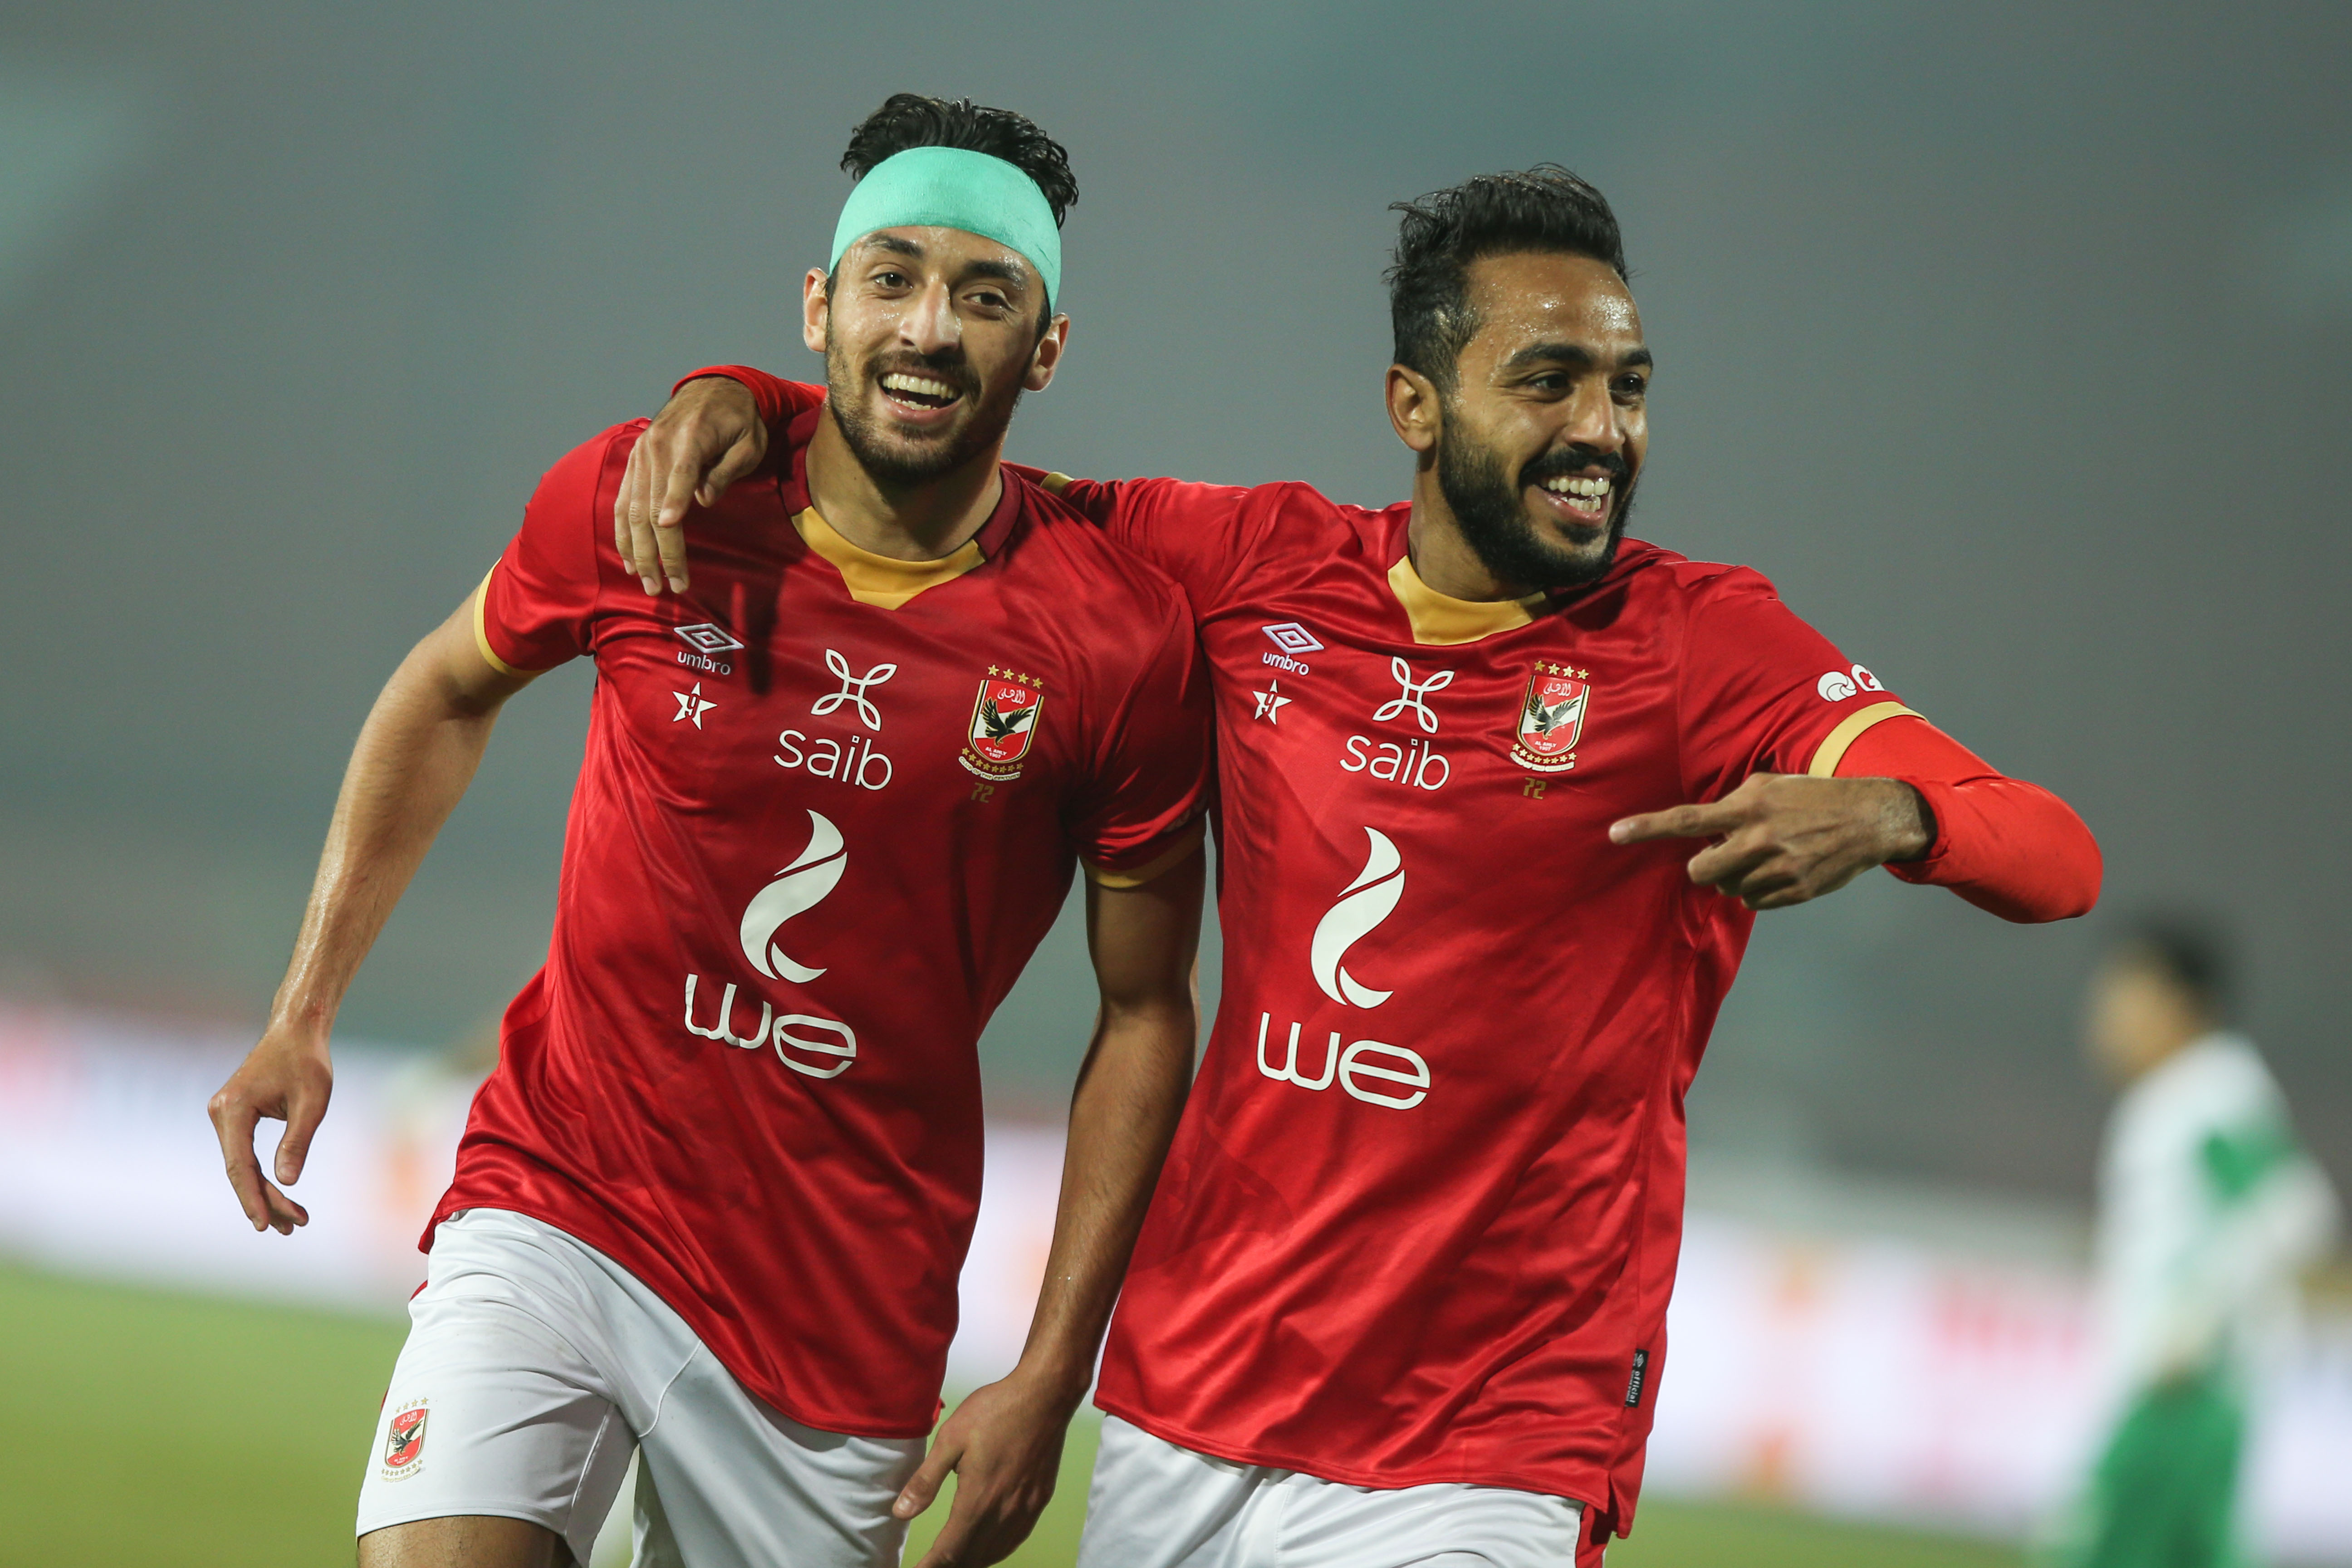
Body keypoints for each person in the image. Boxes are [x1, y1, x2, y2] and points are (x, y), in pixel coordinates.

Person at [627, 164, 2104, 1567]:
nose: (1602, 427)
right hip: (1183, 1409)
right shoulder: (1258, 566)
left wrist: (1897, 819)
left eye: (1627, 385)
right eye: (1548, 382)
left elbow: (2053, 853)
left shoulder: (1705, 650)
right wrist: (743, 396)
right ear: (1415, 402)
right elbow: (952, 475)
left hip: (1486, 1445)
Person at [206, 96, 1216, 1568]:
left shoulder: (1113, 641)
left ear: (1046, 346)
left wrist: (1051, 1371)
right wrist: (304, 1011)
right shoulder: (654, 497)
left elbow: (1143, 1008)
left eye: (984, 295)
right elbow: (442, 689)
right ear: (819, 306)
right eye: (890, 277)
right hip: (565, 1199)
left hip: (841, 1314)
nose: (928, 326)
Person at [2048, 916, 2337, 1568]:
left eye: (2123, 997)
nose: (2104, 1018)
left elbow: (2295, 1211)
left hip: (2181, 1400)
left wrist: (2195, 1326)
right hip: (2200, 1398)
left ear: (2182, 1005)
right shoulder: (2188, 1094)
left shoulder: (2206, 1093)